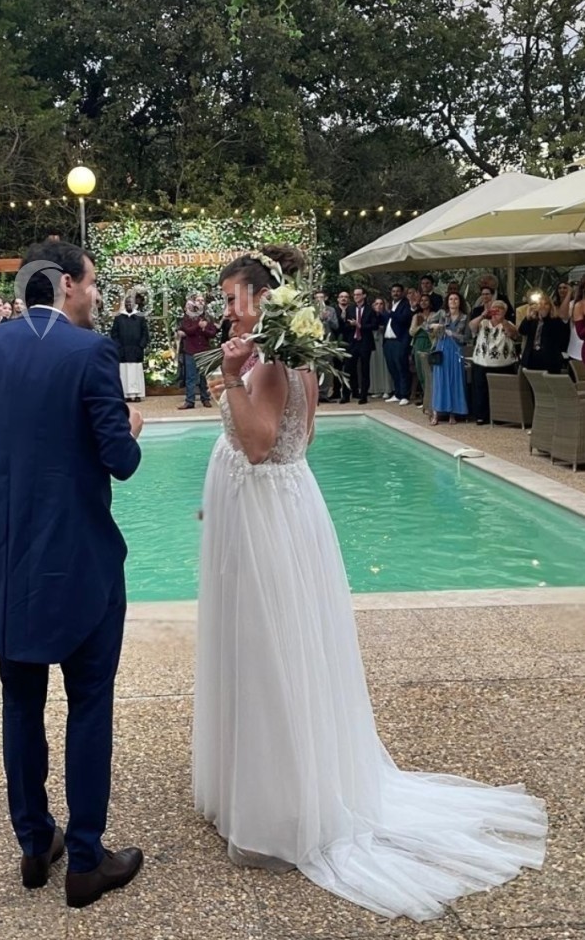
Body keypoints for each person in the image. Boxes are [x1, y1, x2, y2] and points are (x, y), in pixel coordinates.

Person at [193, 244, 546, 922]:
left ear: (264, 301)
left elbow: (261, 446)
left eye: (233, 299)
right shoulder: (292, 358)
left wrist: (231, 381)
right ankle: (273, 786)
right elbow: (302, 439)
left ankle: (278, 808)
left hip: (268, 517)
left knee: (269, 649)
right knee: (275, 646)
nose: (226, 310)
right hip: (278, 508)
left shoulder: (272, 363)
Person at [0, 241, 145, 909]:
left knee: (20, 702)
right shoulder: (91, 353)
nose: (95, 295)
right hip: (79, 561)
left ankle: (35, 844)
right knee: (89, 702)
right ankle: (85, 859)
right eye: (92, 283)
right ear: (65, 284)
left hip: (6, 564)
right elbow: (120, 462)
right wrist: (131, 426)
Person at [469, 300, 520, 424]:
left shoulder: (508, 323)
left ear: (505, 311)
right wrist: (483, 315)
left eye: (500, 308)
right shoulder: (483, 323)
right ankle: (482, 416)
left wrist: (502, 320)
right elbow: (471, 326)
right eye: (494, 308)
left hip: (503, 364)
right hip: (482, 362)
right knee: (481, 391)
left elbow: (513, 333)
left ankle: (501, 416)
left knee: (502, 391)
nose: (497, 310)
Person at [426, 292, 470, 425]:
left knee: (454, 380)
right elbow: (427, 326)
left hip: (456, 351)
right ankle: (436, 413)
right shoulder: (442, 314)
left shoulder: (465, 317)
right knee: (439, 381)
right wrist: (433, 326)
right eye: (451, 299)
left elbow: (466, 338)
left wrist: (453, 334)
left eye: (456, 299)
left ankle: (453, 413)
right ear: (447, 301)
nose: (453, 301)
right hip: (442, 349)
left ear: (460, 301)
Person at [177, 295, 217, 410]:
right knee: (190, 377)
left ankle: (205, 399)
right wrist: (198, 326)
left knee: (204, 376)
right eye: (197, 301)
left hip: (204, 350)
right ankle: (190, 401)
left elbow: (213, 332)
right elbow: (187, 330)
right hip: (190, 351)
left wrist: (204, 329)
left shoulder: (208, 317)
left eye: (202, 301)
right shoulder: (187, 317)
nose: (200, 303)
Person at [110, 295, 150, 402]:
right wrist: (118, 346)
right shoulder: (119, 318)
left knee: (136, 372)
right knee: (124, 372)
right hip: (123, 350)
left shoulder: (140, 317)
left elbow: (145, 333)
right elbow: (114, 334)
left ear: (134, 304)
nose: (128, 305)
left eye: (130, 303)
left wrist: (141, 346)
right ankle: (126, 394)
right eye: (127, 303)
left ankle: (137, 394)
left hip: (136, 349)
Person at [518, 296, 568, 375]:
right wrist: (527, 318)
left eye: (546, 304)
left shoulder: (556, 320)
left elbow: (560, 337)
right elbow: (522, 331)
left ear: (550, 307)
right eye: (540, 304)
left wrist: (544, 317)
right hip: (532, 357)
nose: (542, 306)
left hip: (550, 359)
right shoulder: (532, 319)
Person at [381, 282, 413, 405]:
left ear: (402, 292)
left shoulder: (406, 304)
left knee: (402, 367)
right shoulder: (391, 304)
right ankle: (397, 393)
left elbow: (404, 319)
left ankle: (405, 395)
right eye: (393, 291)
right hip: (388, 341)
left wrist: (390, 312)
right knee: (392, 368)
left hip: (399, 341)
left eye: (398, 291)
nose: (395, 293)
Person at [345, 286, 376, 405]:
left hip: (365, 342)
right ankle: (347, 395)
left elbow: (374, 325)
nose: (356, 297)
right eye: (354, 295)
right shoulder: (350, 309)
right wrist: (352, 325)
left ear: (364, 295)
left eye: (358, 294)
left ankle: (363, 396)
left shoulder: (370, 309)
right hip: (352, 342)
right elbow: (345, 325)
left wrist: (360, 326)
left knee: (364, 369)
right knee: (349, 368)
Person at [368, 298, 393, 399]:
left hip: (384, 340)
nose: (378, 306)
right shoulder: (370, 315)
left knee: (385, 365)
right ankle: (377, 389)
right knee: (374, 365)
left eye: (381, 303)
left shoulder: (387, 315)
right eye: (376, 303)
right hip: (372, 340)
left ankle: (387, 389)